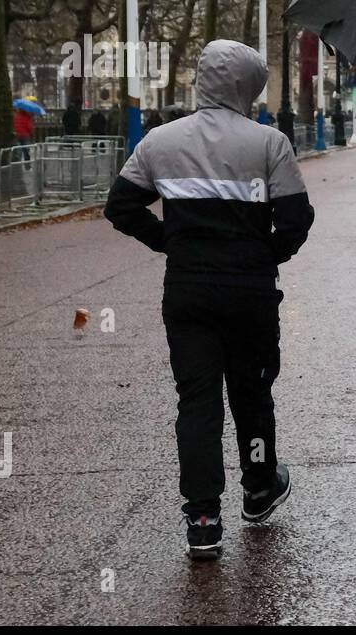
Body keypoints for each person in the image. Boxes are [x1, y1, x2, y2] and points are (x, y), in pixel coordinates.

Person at [103, 40, 314, 560]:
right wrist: (266, 256)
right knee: (252, 394)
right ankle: (260, 485)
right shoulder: (269, 143)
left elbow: (120, 207)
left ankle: (202, 514)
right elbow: (296, 219)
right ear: (249, 86)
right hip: (249, 292)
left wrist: (168, 240)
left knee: (196, 402)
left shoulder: (160, 141)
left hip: (189, 290)